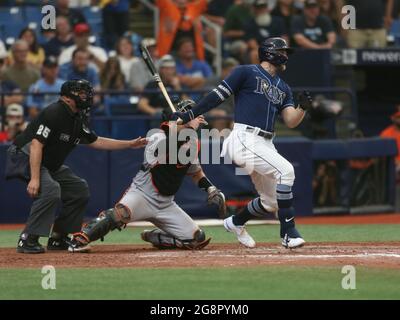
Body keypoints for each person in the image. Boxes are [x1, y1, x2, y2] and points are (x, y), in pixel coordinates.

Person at [173, 37, 312, 249]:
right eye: (283, 51)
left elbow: (291, 120)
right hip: (244, 137)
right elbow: (217, 95)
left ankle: (235, 222)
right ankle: (288, 233)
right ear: (270, 52)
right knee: (286, 171)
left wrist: (302, 108)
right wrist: (190, 113)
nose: (286, 56)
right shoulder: (246, 72)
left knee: (271, 201)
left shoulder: (284, 88)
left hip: (265, 142)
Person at [5, 79, 147, 254]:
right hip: (24, 156)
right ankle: (28, 238)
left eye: (86, 93)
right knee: (50, 189)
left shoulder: (77, 117)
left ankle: (58, 237)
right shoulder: (54, 112)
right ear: (67, 97)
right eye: (81, 93)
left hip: (47, 162)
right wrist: (34, 178)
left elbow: (97, 141)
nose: (86, 96)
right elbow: (36, 144)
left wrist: (130, 144)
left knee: (78, 189)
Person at [68, 100, 226, 252]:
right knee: (120, 214)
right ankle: (81, 238)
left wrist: (210, 189)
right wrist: (186, 128)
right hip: (142, 195)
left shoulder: (191, 143)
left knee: (197, 238)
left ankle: (157, 237)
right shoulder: (157, 137)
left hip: (166, 204)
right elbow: (168, 149)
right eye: (191, 116)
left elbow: (196, 173)